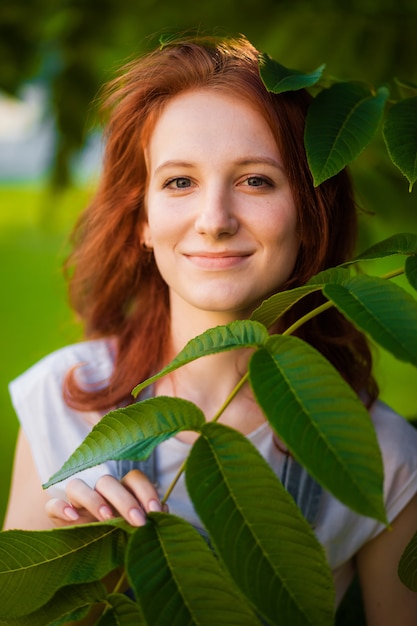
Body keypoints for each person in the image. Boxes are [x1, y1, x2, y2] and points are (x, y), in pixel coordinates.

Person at [3, 34, 417, 625]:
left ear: (310, 211)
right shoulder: (61, 405)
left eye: (256, 180)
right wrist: (70, 561)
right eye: (179, 182)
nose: (215, 221)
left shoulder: (385, 460)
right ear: (143, 218)